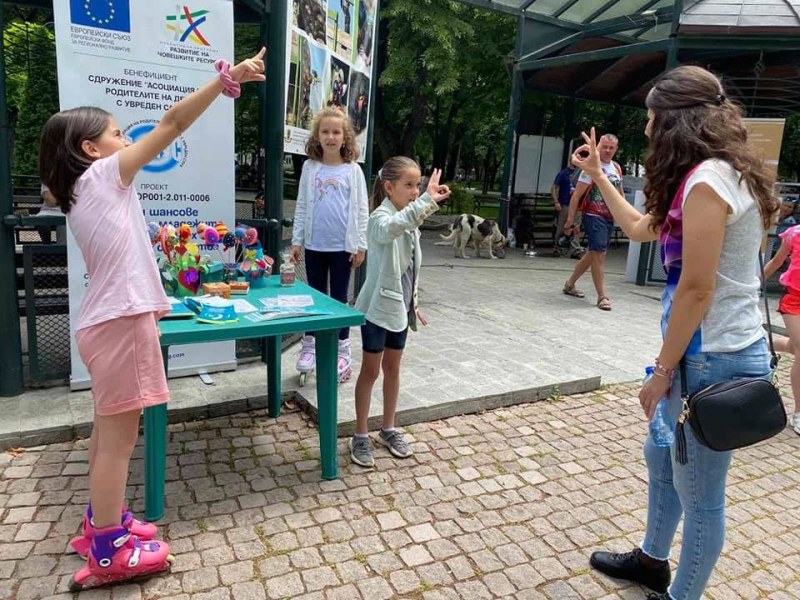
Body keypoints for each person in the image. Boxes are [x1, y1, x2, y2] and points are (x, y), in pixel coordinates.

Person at [38, 49, 265, 590]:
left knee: (106, 431)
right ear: (90, 149)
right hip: (121, 320)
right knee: (120, 438)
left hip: (105, 321)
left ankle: (100, 524)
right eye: (117, 133)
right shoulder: (103, 176)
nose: (126, 139)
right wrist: (226, 80)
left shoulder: (83, 192)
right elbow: (171, 123)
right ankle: (109, 549)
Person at [573, 66, 777, 600]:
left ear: (676, 122)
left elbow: (696, 289)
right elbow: (641, 228)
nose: (645, 130)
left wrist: (661, 373)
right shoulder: (714, 174)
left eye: (651, 119)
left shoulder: (710, 180)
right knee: (661, 456)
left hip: (712, 358)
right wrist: (598, 175)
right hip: (702, 352)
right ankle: (651, 561)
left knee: (701, 495)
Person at [349, 159, 451, 467]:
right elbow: (396, 226)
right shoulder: (379, 218)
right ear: (388, 186)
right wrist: (425, 201)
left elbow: (408, 268)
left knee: (393, 370)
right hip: (377, 311)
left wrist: (413, 304)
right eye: (409, 185)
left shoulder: (410, 219)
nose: (415, 190)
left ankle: (389, 428)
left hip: (399, 311)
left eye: (418, 185)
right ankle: (360, 434)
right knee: (370, 371)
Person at [290, 107, 369, 383]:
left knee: (339, 299)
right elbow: (301, 206)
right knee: (313, 297)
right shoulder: (311, 168)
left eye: (336, 132)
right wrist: (297, 241)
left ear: (345, 137)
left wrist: (360, 245)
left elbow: (361, 210)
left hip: (342, 248)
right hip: (314, 245)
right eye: (325, 131)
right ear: (317, 135)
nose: (331, 137)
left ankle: (342, 348)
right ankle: (310, 344)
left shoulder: (353, 171)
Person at [562, 134, 624, 309]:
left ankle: (570, 284)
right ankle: (602, 296)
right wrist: (570, 220)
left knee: (593, 253)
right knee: (599, 254)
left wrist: (624, 217)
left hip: (609, 217)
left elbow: (619, 194)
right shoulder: (589, 167)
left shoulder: (616, 168)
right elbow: (576, 196)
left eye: (611, 148)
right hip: (593, 214)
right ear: (598, 147)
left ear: (616, 149)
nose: (607, 150)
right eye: (604, 146)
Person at [763, 226, 800, 436]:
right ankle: (799, 413)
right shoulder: (795, 234)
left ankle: (763, 346)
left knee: (794, 348)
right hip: (794, 300)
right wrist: (755, 282)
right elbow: (776, 262)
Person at [551, 162, 574, 257]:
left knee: (575, 226)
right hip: (565, 203)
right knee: (561, 226)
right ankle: (557, 247)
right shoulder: (564, 173)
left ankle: (574, 249)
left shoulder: (582, 173)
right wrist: (556, 201)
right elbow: (553, 187)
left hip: (576, 205)